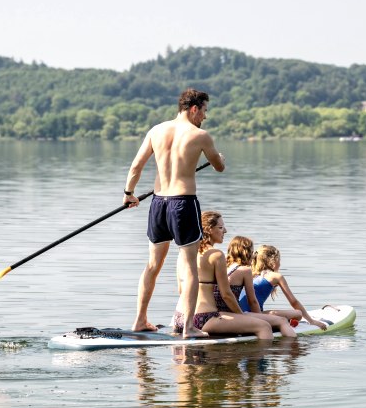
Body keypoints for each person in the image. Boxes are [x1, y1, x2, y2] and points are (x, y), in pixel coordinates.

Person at [123, 89, 225, 338]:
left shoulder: (156, 130)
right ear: (194, 109)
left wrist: (129, 193)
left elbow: (136, 165)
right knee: (190, 267)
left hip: (158, 203)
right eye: (204, 111)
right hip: (183, 203)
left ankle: (139, 320)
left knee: (152, 265)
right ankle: (189, 327)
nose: (205, 117)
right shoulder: (200, 135)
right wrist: (218, 158)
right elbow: (220, 167)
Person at [173, 211, 274, 339]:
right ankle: (258, 358)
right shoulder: (216, 255)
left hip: (179, 317)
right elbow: (226, 294)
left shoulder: (183, 253)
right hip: (203, 318)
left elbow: (181, 290)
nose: (225, 231)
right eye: (220, 227)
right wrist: (241, 316)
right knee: (264, 326)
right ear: (209, 229)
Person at [238, 244, 327, 330]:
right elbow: (294, 302)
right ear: (273, 261)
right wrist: (311, 321)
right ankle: (282, 323)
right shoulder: (275, 276)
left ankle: (282, 322)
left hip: (241, 314)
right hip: (256, 315)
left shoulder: (251, 274)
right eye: (279, 260)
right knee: (298, 314)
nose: (280, 264)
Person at [225, 236, 297, 337]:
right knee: (284, 320)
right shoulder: (246, 271)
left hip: (229, 313)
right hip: (242, 314)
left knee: (280, 319)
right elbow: (252, 301)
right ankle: (295, 348)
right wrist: (261, 319)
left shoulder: (227, 268)